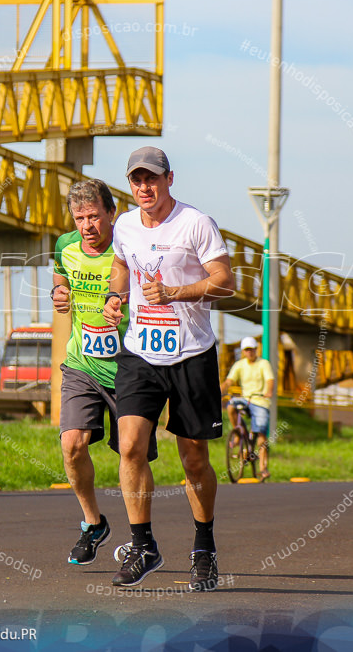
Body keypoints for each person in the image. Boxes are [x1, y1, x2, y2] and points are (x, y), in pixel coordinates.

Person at [102, 146, 236, 591]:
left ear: (169, 179)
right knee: (130, 446)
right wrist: (115, 297)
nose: (144, 187)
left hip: (191, 353)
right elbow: (121, 265)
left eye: (152, 179)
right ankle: (143, 545)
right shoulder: (123, 224)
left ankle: (204, 548)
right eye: (137, 180)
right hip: (140, 351)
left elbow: (225, 282)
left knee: (193, 459)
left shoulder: (196, 223)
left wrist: (176, 293)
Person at [52, 179, 158, 566]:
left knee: (133, 456)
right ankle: (93, 523)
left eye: (94, 216)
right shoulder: (65, 245)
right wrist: (58, 294)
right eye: (79, 218)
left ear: (112, 213)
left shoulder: (129, 245)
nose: (87, 226)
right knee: (72, 445)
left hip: (129, 367)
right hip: (82, 363)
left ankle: (140, 539)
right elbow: (60, 279)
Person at [221, 336, 275, 480]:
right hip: (245, 399)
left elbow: (270, 380)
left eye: (252, 349)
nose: (249, 352)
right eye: (247, 350)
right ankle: (239, 434)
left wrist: (269, 391)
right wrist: (220, 392)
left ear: (256, 350)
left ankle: (263, 468)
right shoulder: (239, 365)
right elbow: (228, 381)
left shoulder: (263, 363)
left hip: (260, 400)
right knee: (231, 406)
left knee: (261, 433)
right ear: (243, 351)